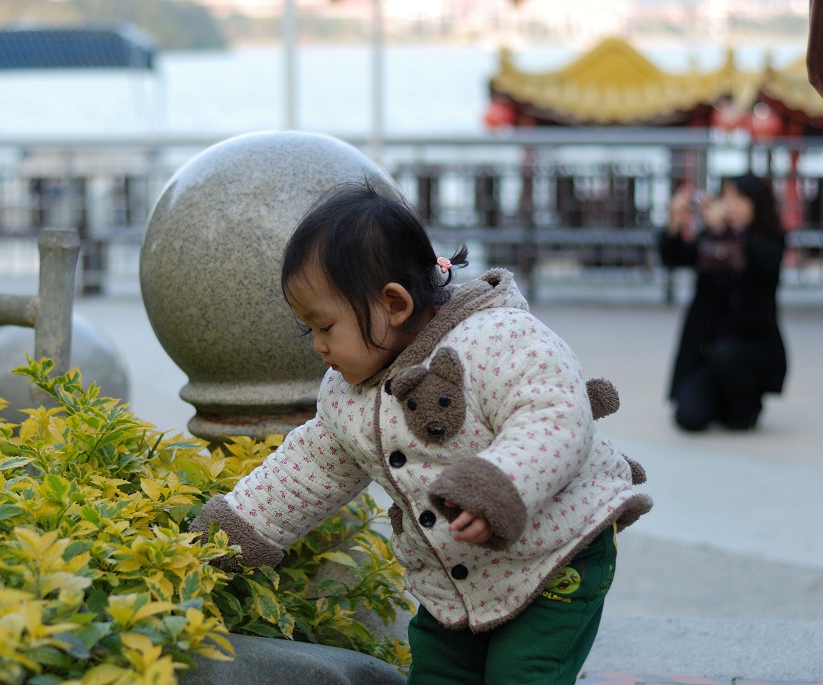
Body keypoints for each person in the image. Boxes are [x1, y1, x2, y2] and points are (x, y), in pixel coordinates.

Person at [192, 181, 652, 685]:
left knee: (522, 671)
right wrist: (225, 536)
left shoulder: (498, 338)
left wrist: (496, 487)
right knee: (437, 672)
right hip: (455, 581)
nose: (319, 347)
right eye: (310, 331)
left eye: (324, 327)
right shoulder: (347, 397)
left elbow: (555, 417)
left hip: (557, 552)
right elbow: (307, 469)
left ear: (394, 303)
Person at [658, 174, 788, 432]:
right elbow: (673, 257)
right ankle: (718, 401)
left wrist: (729, 230)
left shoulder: (769, 238)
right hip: (706, 349)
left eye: (739, 198)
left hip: (749, 351)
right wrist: (676, 219)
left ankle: (746, 407)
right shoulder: (712, 236)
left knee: (735, 412)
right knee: (689, 418)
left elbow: (762, 264)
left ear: (755, 203)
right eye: (726, 196)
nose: (730, 204)